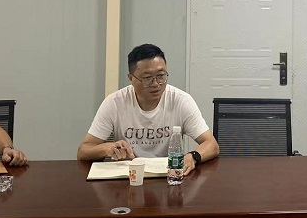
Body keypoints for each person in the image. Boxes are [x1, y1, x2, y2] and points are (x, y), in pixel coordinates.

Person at [77, 43, 219, 174]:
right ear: (131, 78)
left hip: (168, 177)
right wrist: (106, 148)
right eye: (147, 78)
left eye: (161, 76)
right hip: (129, 177)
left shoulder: (181, 100)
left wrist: (193, 156)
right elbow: (83, 151)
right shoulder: (114, 103)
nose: (156, 84)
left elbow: (211, 144)